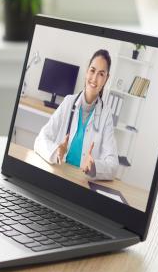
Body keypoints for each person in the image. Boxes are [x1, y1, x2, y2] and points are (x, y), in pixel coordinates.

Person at [33, 49, 118, 181]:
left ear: (106, 79)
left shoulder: (106, 114)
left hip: (82, 181)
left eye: (101, 74)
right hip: (58, 174)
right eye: (92, 70)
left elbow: (113, 165)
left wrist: (95, 166)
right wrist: (57, 151)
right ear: (86, 71)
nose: (94, 78)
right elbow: (40, 140)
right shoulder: (68, 102)